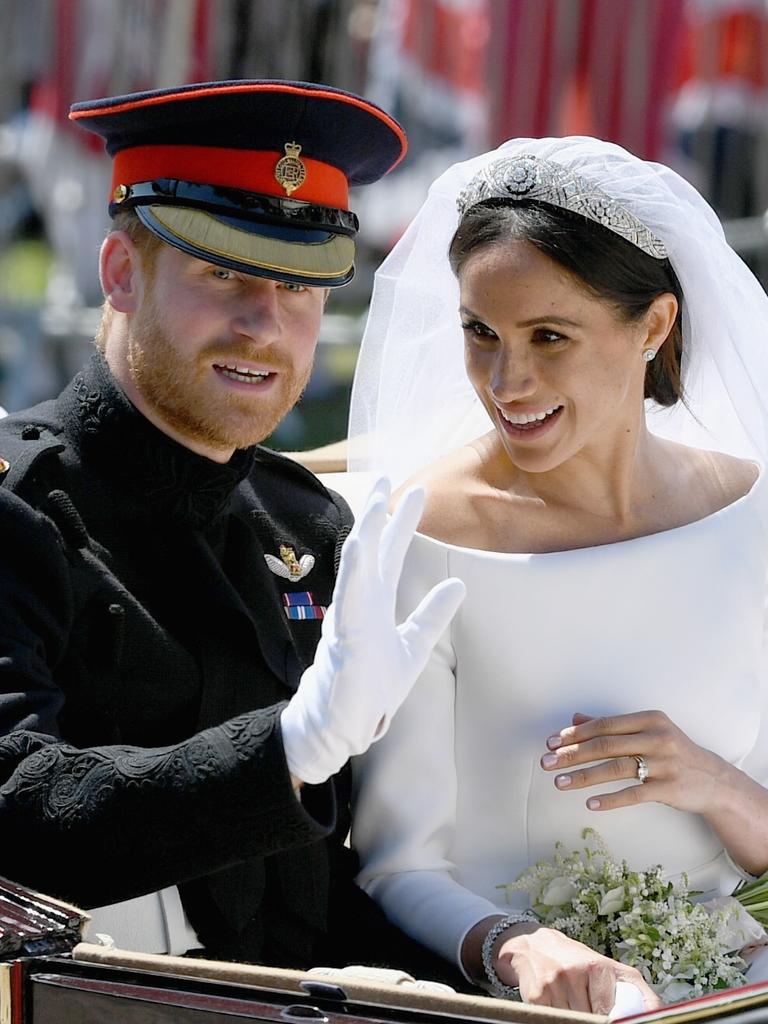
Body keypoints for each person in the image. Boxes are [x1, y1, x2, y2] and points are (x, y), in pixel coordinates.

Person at [0, 79, 465, 972]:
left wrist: (499, 957)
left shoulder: (310, 529)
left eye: (300, 287)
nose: (265, 325)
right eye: (223, 273)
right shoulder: (18, 511)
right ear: (121, 274)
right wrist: (288, 751)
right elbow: (14, 809)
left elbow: (342, 888)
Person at [349, 135, 768, 1014]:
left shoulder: (752, 518)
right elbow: (399, 863)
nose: (508, 380)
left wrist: (716, 784)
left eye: (549, 336)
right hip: (511, 1008)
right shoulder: (423, 532)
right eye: (480, 333)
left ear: (652, 326)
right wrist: (519, 949)